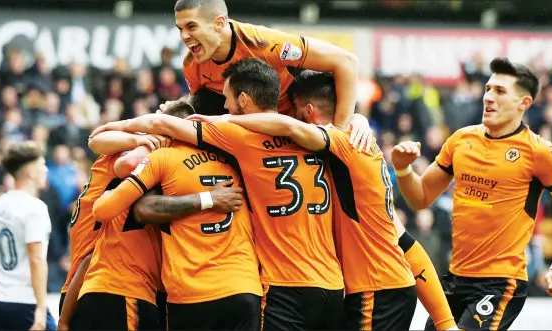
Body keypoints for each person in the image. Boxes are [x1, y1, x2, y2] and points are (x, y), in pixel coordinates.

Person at [188, 70, 458, 331]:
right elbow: (405, 241)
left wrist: (223, 121)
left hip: (375, 289)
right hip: (373, 286)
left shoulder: (345, 143)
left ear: (306, 111)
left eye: (294, 108)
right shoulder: (347, 148)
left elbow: (287, 124)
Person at [91, 58, 345, 330]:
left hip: (277, 285)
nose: (225, 106)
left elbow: (141, 145)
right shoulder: (321, 138)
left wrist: (126, 130)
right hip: (329, 283)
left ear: (244, 100)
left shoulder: (237, 138)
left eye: (228, 99)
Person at [390, 57, 552, 330]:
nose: (489, 97)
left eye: (500, 91)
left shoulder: (540, 153)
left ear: (524, 103)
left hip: (500, 282)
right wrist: (402, 169)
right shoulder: (461, 140)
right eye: (487, 89)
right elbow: (421, 197)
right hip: (455, 278)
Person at [92, 98, 262, 331]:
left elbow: (105, 210)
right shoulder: (236, 157)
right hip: (243, 286)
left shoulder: (162, 158)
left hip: (190, 292)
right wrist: (209, 199)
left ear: (164, 130)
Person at [173, 0, 373, 150]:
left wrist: (342, 130)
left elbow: (347, 62)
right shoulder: (191, 66)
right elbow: (203, 108)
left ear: (218, 23)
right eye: (180, 29)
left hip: (301, 137)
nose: (184, 36)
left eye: (191, 26)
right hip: (251, 144)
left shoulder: (265, 43)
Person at [57, 131, 171, 330]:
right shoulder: (128, 175)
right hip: (109, 285)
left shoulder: (101, 167)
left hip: (78, 289)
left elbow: (95, 139)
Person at [0, 141, 56, 330]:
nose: (46, 170)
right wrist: (41, 308)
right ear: (31, 172)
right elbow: (36, 260)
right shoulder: (35, 208)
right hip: (25, 302)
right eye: (42, 165)